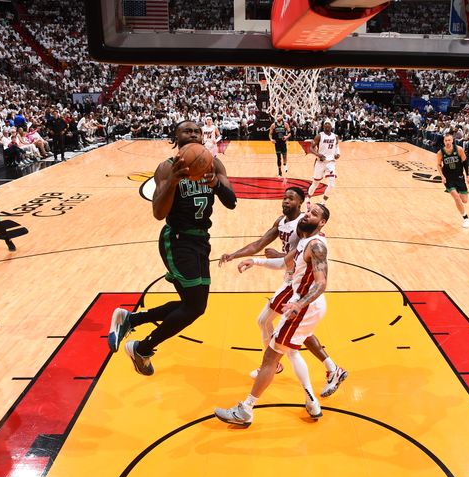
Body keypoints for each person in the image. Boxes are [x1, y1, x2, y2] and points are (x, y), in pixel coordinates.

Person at [108, 120, 237, 375]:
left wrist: (216, 185)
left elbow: (231, 202)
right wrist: (174, 181)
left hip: (201, 240)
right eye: (187, 130)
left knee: (192, 304)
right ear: (175, 138)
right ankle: (142, 348)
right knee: (194, 306)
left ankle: (131, 320)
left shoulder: (214, 163)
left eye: (197, 131)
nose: (193, 134)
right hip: (177, 240)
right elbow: (158, 212)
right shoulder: (166, 168)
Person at [219, 186, 347, 397]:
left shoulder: (306, 229)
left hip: (296, 288)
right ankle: (331, 370)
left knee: (278, 334)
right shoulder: (284, 223)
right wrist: (236, 255)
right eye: (284, 197)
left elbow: (298, 261)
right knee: (298, 333)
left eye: (291, 199)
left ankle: (295, 385)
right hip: (293, 283)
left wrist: (278, 256)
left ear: (300, 203)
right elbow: (263, 245)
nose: (286, 201)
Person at [215, 203, 331, 426]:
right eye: (308, 211)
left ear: (322, 223)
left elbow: (321, 283)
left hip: (306, 306)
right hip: (305, 305)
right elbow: (282, 263)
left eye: (314, 214)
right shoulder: (304, 243)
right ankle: (312, 403)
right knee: (291, 351)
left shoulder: (316, 246)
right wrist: (255, 261)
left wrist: (300, 304)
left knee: (271, 356)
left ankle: (246, 410)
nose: (308, 214)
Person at [436, 132, 469, 228]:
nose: (447, 142)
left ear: (452, 140)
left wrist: (468, 176)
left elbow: (465, 163)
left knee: (464, 200)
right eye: (446, 140)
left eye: (449, 140)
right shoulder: (440, 153)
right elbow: (439, 165)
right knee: (456, 197)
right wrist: (442, 176)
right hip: (448, 178)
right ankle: (466, 218)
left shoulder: (459, 149)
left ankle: (459, 193)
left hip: (459, 177)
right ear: (444, 141)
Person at [307, 120, 340, 204]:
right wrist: (318, 154)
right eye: (325, 124)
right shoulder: (319, 136)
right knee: (315, 183)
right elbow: (311, 148)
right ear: (323, 126)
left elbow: (336, 147)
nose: (327, 125)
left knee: (331, 184)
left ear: (331, 126)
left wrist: (337, 154)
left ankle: (323, 202)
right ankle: (308, 199)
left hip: (330, 163)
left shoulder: (335, 136)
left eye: (329, 124)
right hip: (320, 162)